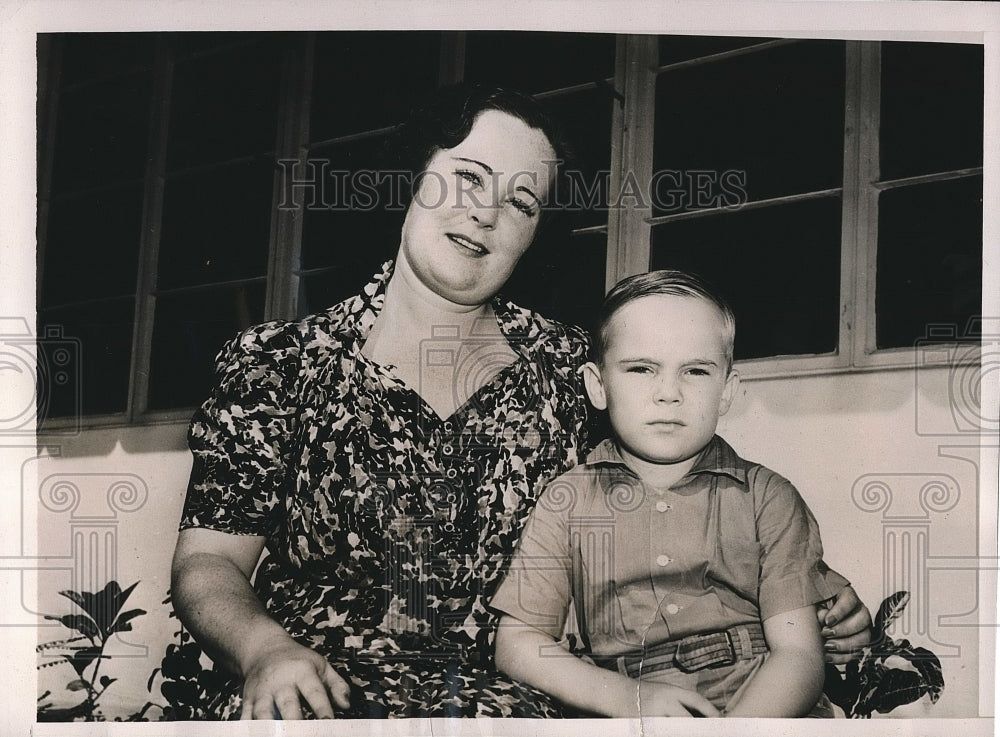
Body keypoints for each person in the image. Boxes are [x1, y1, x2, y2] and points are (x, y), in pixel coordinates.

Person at [170, 84, 871, 720]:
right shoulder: (278, 363)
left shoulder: (572, 368)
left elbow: (684, 477)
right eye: (467, 177)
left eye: (521, 201)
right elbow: (209, 564)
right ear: (413, 176)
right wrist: (264, 650)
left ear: (535, 232)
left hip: (515, 698)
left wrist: (814, 588)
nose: (485, 211)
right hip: (318, 688)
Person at [492, 270, 844, 717]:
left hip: (763, 708)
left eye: (695, 371)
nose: (669, 394)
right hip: (634, 712)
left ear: (726, 392)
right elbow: (518, 644)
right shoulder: (568, 500)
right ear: (598, 387)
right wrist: (627, 699)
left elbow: (799, 657)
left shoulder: (768, 497)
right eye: (641, 369)